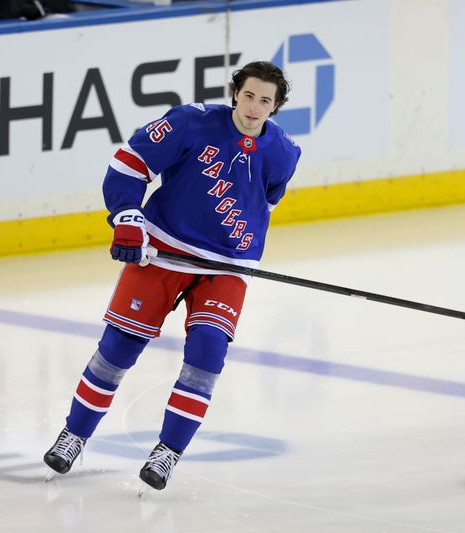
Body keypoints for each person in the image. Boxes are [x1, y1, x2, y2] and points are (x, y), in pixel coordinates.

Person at [43, 61, 301, 491]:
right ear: (235, 92)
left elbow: (265, 202)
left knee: (207, 356)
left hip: (227, 266)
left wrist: (235, 250)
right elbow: (129, 164)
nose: (255, 107)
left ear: (276, 108)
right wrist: (128, 216)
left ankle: (167, 452)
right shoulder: (189, 122)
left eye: (266, 100)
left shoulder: (283, 154)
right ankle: (74, 435)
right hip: (162, 251)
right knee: (117, 350)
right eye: (250, 95)